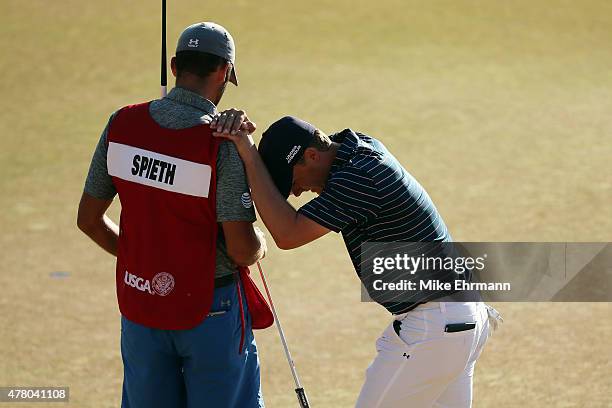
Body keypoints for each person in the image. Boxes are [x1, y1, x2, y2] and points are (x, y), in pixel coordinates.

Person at [211, 112, 501, 408]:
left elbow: (287, 235)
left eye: (292, 180)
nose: (295, 192)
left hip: (435, 328)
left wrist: (247, 153)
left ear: (312, 155)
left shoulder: (360, 176)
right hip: (459, 320)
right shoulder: (358, 148)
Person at [77, 23, 267, 408]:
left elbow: (89, 220)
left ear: (175, 66)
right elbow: (242, 250)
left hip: (140, 304)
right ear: (225, 72)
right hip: (210, 312)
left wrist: (144, 264)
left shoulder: (122, 123)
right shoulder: (222, 144)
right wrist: (261, 244)